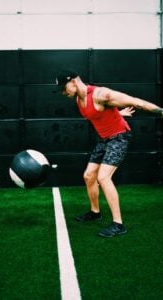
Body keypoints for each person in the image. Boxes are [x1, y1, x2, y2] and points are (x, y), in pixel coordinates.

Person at [54, 69, 163, 238]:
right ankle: (95, 212)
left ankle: (118, 224)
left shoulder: (101, 95)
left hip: (119, 137)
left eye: (64, 87)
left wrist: (161, 112)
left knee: (103, 177)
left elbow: (136, 102)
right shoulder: (78, 99)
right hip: (103, 139)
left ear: (74, 81)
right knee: (89, 176)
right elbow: (99, 115)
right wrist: (119, 114)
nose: (62, 92)